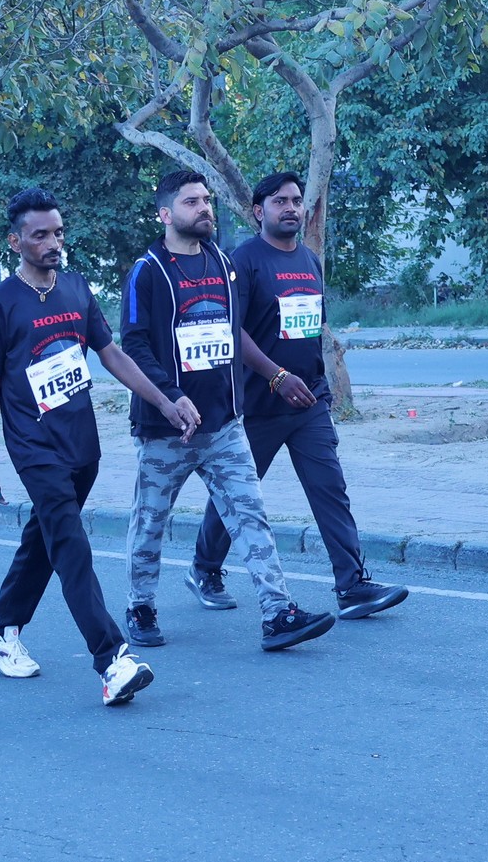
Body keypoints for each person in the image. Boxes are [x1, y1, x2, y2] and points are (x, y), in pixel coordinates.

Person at [0, 188, 197, 706]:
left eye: (58, 232)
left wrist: (165, 402)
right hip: (34, 448)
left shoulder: (75, 288)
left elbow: (111, 355)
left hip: (81, 444)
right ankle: (112, 659)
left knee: (45, 541)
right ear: (16, 242)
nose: (53, 242)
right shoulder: (0, 304)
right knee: (71, 548)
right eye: (40, 235)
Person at [117, 170, 337, 654]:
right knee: (150, 522)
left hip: (225, 426)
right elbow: (133, 346)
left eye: (206, 200)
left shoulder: (222, 262)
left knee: (251, 515)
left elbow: (234, 332)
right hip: (165, 430)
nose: (204, 208)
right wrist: (169, 397)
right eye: (191, 202)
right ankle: (140, 606)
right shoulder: (147, 271)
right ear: (165, 213)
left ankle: (277, 613)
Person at [186, 174, 408, 621]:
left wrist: (313, 384)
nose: (291, 207)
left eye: (296, 200)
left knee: (330, 489)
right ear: (258, 211)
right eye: (279, 201)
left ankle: (351, 585)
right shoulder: (243, 261)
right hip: (257, 406)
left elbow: (309, 328)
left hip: (309, 403)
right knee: (238, 496)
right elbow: (231, 329)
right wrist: (276, 376)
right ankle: (205, 568)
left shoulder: (310, 260)